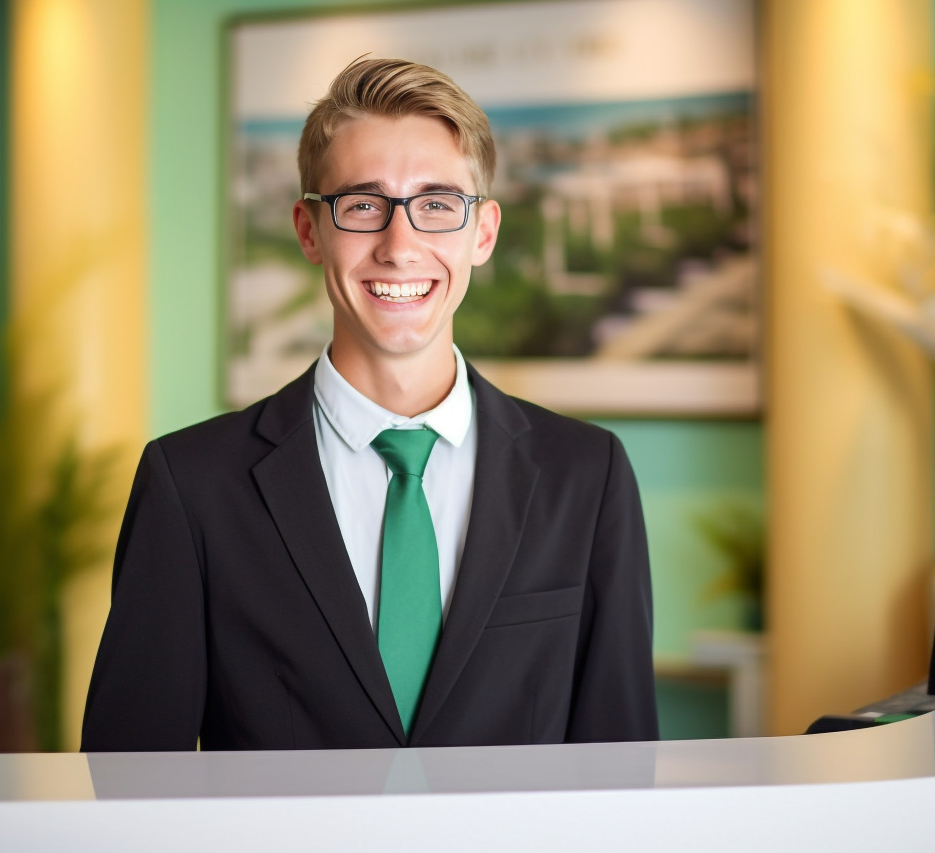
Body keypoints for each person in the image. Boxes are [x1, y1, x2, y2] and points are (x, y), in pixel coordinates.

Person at [80, 57, 658, 751]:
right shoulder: (192, 486)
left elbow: (620, 769)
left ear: (483, 232)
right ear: (308, 230)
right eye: (362, 205)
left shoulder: (588, 477)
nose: (400, 246)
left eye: (436, 205)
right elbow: (131, 780)